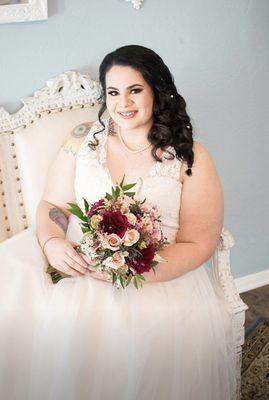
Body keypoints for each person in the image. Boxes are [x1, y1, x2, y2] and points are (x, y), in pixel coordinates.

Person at [0, 45, 237, 400]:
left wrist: (134, 270)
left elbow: (199, 243)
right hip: (81, 266)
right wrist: (54, 243)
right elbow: (53, 205)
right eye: (113, 92)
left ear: (159, 91)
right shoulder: (83, 139)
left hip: (157, 275)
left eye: (135, 90)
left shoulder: (191, 157)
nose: (123, 103)